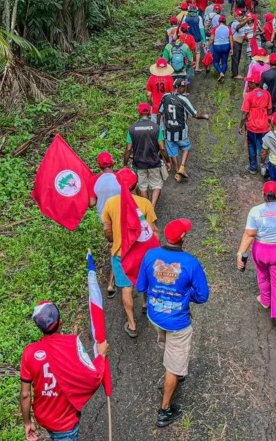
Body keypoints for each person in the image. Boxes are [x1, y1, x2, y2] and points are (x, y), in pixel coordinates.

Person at [136, 218, 210, 428]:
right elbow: (202, 295)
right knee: (174, 365)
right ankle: (164, 410)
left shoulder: (150, 255)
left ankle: (174, 368)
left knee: (167, 345)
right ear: (183, 238)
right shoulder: (190, 263)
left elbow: (141, 286)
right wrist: (186, 296)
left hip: (154, 316)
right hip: (177, 322)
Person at [20, 301, 109, 441]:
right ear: (60, 322)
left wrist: (27, 422)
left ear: (39, 327)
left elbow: (25, 394)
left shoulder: (29, 352)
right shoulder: (72, 343)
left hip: (43, 417)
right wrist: (101, 356)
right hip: (65, 423)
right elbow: (93, 378)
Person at [236, 181, 276, 334]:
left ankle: (265, 300)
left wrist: (240, 252)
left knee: (263, 275)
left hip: (261, 250)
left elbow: (250, 234)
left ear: (263, 194)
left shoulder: (255, 211)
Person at [102, 169, 159, 338]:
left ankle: (132, 325)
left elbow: (107, 229)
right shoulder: (145, 203)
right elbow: (153, 230)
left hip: (121, 254)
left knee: (126, 287)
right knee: (145, 280)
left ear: (119, 185)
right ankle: (144, 304)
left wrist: (112, 239)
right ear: (135, 185)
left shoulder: (110, 204)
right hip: (143, 252)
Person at [159, 78, 211, 182]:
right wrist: (205, 116)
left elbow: (160, 112)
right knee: (186, 147)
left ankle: (177, 170)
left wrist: (158, 126)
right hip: (181, 131)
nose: (185, 88)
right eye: (183, 86)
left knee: (172, 152)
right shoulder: (183, 99)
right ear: (179, 88)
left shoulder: (165, 97)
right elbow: (195, 114)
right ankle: (182, 167)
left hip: (169, 130)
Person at [88, 152, 122, 298]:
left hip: (105, 220)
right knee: (117, 248)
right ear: (113, 162)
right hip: (119, 216)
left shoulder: (94, 180)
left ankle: (112, 281)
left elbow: (92, 203)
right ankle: (112, 281)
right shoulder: (119, 177)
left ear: (99, 165)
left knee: (113, 247)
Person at [124, 103, 169, 207]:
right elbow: (162, 147)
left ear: (139, 113)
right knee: (157, 185)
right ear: (149, 112)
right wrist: (167, 161)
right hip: (154, 162)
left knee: (143, 186)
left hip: (139, 163)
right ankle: (152, 207)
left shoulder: (132, 129)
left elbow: (128, 149)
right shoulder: (156, 128)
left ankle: (147, 207)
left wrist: (125, 164)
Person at [238, 74, 272, 174]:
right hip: (264, 126)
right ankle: (264, 166)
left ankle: (253, 167)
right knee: (263, 146)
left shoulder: (249, 95)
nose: (248, 84)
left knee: (252, 146)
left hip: (252, 126)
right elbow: (270, 111)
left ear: (253, 83)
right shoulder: (267, 94)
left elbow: (244, 114)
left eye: (249, 82)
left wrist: (240, 126)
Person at [146, 58, 174, 123]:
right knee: (166, 125)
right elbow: (172, 93)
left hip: (155, 108)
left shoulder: (151, 78)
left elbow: (148, 94)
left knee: (155, 127)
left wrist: (150, 103)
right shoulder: (169, 78)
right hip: (167, 107)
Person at [230, 12, 253, 80]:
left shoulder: (242, 24)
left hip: (239, 44)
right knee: (235, 59)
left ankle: (235, 73)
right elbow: (239, 26)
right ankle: (235, 74)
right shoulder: (235, 23)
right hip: (235, 43)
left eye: (241, 15)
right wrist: (246, 20)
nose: (240, 16)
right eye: (239, 15)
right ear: (235, 16)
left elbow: (243, 33)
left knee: (237, 58)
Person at [209, 15, 232, 82]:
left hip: (217, 46)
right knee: (224, 62)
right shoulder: (228, 28)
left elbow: (211, 39)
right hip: (226, 46)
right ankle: (222, 74)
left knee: (215, 62)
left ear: (219, 21)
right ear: (225, 21)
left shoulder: (215, 28)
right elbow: (231, 40)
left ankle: (220, 73)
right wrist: (232, 49)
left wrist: (208, 46)